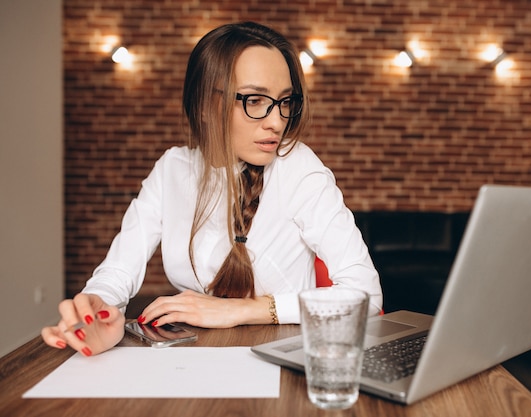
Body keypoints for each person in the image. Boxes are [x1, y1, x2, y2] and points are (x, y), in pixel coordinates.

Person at [42, 21, 383, 357]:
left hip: (287, 359)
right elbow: (118, 270)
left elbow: (366, 295)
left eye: (284, 101)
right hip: (196, 357)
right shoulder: (172, 169)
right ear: (206, 105)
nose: (277, 121)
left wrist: (243, 310)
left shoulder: (297, 167)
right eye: (255, 100)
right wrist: (97, 311)